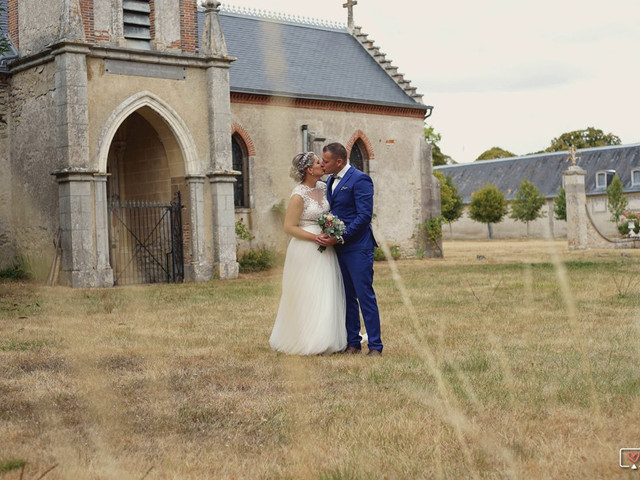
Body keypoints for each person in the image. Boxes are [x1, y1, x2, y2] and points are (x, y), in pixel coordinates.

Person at [269, 152, 347, 355]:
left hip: (325, 247)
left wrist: (331, 231)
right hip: (305, 248)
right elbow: (289, 227)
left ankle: (326, 338)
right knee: (307, 292)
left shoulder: (324, 187)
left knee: (326, 289)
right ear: (309, 170)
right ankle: (305, 339)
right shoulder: (298, 195)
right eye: (317, 163)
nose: (322, 164)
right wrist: (315, 238)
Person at [318, 142, 383, 356]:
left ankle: (375, 346)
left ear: (339, 161)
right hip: (337, 249)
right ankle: (353, 343)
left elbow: (364, 215)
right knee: (346, 297)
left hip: (358, 247)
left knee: (365, 295)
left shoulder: (360, 179)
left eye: (326, 161)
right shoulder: (329, 181)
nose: (322, 164)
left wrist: (342, 237)